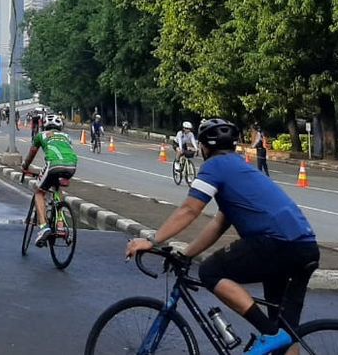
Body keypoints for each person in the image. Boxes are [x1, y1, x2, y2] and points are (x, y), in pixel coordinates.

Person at [126, 119, 319, 354]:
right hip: (305, 247)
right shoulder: (241, 167)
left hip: (275, 244)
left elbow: (190, 209)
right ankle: (276, 336)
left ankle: (269, 334)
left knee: (210, 272)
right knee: (287, 333)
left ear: (204, 147)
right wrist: (186, 254)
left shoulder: (214, 166)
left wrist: (152, 240)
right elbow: (219, 223)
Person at [21, 114, 77, 246]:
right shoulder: (66, 137)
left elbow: (31, 155)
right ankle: (61, 225)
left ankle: (43, 227)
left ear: (44, 126)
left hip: (53, 165)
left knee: (39, 192)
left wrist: (25, 166)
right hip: (72, 166)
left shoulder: (41, 135)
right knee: (57, 188)